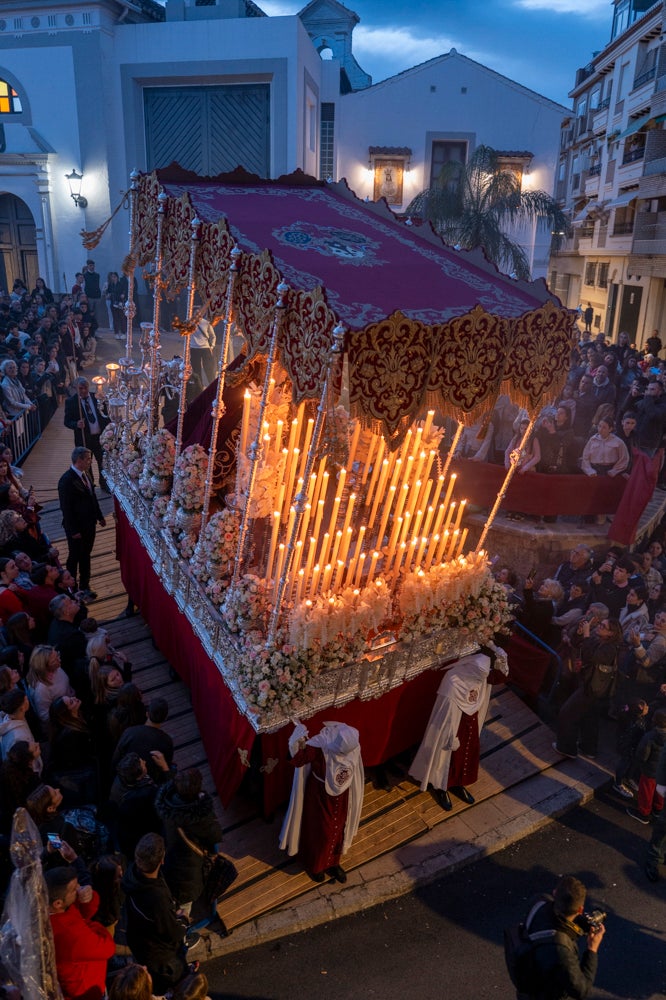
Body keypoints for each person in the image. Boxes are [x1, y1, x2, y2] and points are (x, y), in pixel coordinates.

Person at [409, 645, 509, 811]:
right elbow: (444, 716)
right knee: (444, 754)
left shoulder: (478, 676)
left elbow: (498, 677)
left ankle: (457, 782)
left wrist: (500, 653)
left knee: (465, 753)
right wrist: (449, 736)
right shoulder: (453, 680)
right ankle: (441, 786)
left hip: (468, 722)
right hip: (450, 727)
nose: (480, 681)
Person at [280, 720, 364, 884]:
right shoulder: (320, 744)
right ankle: (315, 865)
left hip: (342, 795)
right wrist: (295, 743)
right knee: (321, 832)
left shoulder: (352, 741)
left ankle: (333, 863)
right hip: (320, 796)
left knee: (338, 828)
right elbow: (298, 760)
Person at [122, 832, 197, 994]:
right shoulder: (157, 898)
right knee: (172, 982)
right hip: (161, 955)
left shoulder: (131, 875)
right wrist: (183, 920)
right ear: (162, 860)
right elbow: (172, 932)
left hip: (141, 944)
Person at [513, 875, 604, 1000]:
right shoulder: (561, 951)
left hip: (527, 984)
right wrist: (592, 949)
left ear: (554, 893)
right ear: (581, 909)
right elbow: (581, 991)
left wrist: (579, 922)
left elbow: (553, 917)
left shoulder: (539, 902)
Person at [155, 768, 224, 916]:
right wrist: (203, 803)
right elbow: (216, 835)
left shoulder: (166, 804)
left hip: (165, 858)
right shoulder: (199, 818)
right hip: (187, 871)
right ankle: (182, 929)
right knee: (185, 903)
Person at [46, 865, 115, 1000]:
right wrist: (92, 925)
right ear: (58, 903)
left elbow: (83, 913)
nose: (79, 889)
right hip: (85, 992)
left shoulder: (56, 911)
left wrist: (89, 897)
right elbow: (108, 947)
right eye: (74, 889)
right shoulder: (69, 935)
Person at [57, 447, 106, 601]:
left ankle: (85, 585)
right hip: (77, 528)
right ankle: (73, 587)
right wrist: (73, 530)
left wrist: (100, 516)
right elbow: (66, 508)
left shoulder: (86, 475)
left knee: (86, 555)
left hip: (89, 524)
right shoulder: (66, 481)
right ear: (79, 460)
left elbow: (92, 498)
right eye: (88, 459)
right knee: (75, 557)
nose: (90, 462)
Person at [64, 379, 109, 487]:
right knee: (86, 463)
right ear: (76, 388)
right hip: (84, 438)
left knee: (102, 461)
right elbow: (67, 421)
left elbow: (106, 415)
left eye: (85, 388)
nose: (84, 391)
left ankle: (104, 483)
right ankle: (90, 484)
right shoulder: (71, 402)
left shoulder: (97, 398)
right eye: (80, 388)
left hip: (100, 437)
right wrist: (76, 424)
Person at [626, 709, 666, 824]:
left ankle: (644, 813)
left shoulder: (650, 737)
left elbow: (642, 755)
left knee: (646, 792)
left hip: (650, 771)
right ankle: (658, 809)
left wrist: (639, 764)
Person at [189, 316, 216, 388]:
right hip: (194, 348)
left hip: (205, 348)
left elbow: (213, 335)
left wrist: (212, 346)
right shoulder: (189, 323)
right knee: (196, 370)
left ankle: (213, 387)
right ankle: (199, 388)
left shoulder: (206, 323)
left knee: (209, 369)